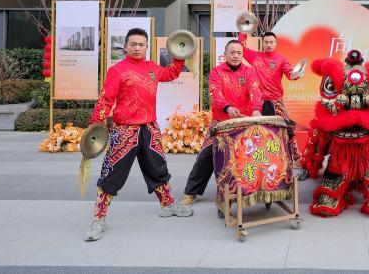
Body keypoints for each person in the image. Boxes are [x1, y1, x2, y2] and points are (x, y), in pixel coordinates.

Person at [83, 28, 193, 242]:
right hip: (124, 131)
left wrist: (179, 57)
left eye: (141, 44)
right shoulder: (117, 70)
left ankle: (168, 204)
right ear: (125, 46)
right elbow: (106, 100)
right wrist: (96, 124)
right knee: (111, 175)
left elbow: (170, 73)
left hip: (149, 128)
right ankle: (99, 218)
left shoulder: (152, 67)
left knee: (158, 168)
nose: (137, 47)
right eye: (133, 44)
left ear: (146, 46)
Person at [181, 40, 263, 210]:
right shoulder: (217, 72)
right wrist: (227, 107)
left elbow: (256, 92)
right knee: (205, 155)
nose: (235, 56)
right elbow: (215, 93)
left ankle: (257, 191)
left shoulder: (249, 73)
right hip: (221, 123)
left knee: (251, 156)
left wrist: (256, 109)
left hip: (244, 123)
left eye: (239, 53)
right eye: (232, 52)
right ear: (225, 54)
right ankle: (191, 191)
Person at [238, 31, 302, 161]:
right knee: (254, 131)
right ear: (263, 44)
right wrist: (243, 32)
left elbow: (290, 74)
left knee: (287, 128)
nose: (268, 44)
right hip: (257, 102)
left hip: (275, 100)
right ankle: (252, 159)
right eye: (266, 42)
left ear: (276, 43)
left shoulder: (282, 59)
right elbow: (240, 48)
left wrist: (296, 74)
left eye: (271, 42)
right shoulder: (255, 56)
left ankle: (295, 156)